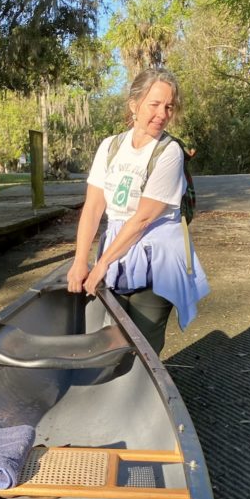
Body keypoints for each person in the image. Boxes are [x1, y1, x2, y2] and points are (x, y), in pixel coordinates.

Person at [67, 68, 209, 354]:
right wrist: (80, 260)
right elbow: (94, 206)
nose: (162, 113)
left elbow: (143, 218)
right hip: (118, 251)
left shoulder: (169, 152)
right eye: (154, 104)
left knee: (143, 341)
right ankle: (115, 391)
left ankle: (145, 392)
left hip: (156, 257)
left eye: (168, 106)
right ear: (134, 105)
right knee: (113, 335)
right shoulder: (110, 147)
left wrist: (103, 264)